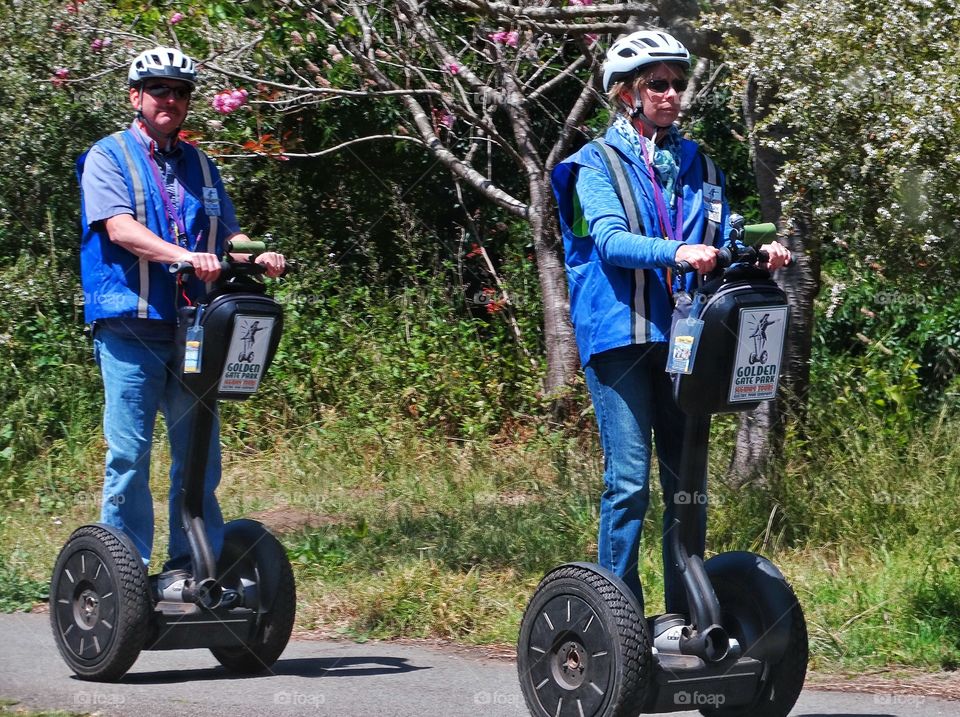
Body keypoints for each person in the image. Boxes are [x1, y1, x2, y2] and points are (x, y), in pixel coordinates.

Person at [551, 30, 790, 610]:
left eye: (678, 84)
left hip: (686, 337)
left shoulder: (698, 163)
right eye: (658, 84)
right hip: (620, 336)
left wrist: (759, 250)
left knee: (687, 484)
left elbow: (722, 234)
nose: (671, 94)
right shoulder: (592, 165)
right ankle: (619, 617)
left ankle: (685, 616)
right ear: (626, 93)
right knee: (629, 481)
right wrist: (678, 252)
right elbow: (610, 241)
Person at [78, 46, 285, 578]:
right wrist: (184, 256)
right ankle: (124, 578)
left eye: (180, 92)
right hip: (130, 326)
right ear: (136, 97)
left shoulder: (201, 165)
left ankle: (191, 568)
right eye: (159, 90)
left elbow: (227, 233)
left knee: (198, 457)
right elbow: (120, 229)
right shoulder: (108, 156)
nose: (170, 99)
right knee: (129, 456)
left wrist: (257, 254)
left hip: (194, 328)